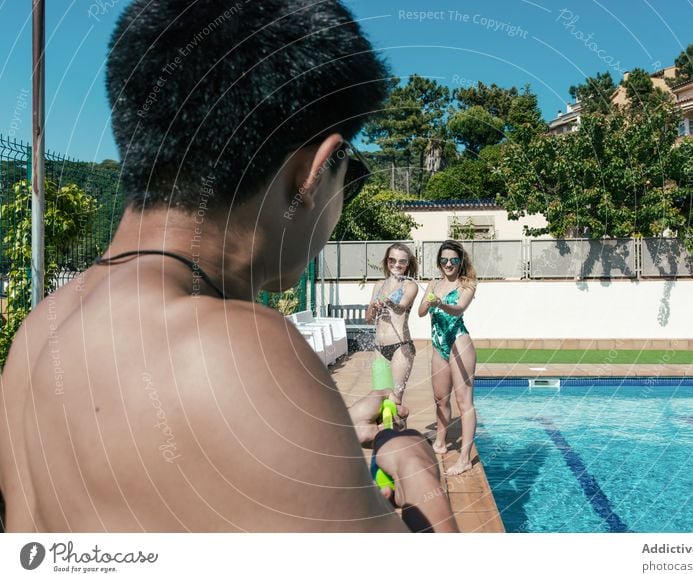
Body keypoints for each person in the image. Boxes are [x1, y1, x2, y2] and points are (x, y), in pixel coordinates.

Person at [0, 0, 456, 533]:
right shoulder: (240, 355)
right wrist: (416, 468)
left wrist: (307, 437)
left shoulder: (38, 333)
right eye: (349, 175)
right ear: (312, 172)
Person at [418, 240, 477, 476]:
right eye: (444, 260)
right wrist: (429, 298)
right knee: (440, 398)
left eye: (453, 260)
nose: (449, 264)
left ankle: (465, 459)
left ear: (460, 261)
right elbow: (422, 312)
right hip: (438, 344)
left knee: (465, 402)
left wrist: (441, 302)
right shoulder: (433, 283)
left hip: (458, 342)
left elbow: (459, 308)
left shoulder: (467, 284)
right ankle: (440, 443)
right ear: (439, 262)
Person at [366, 243, 419, 406]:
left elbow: (402, 307)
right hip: (379, 348)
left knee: (395, 401)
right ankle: (386, 432)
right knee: (381, 400)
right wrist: (373, 309)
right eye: (392, 260)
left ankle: (399, 432)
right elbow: (368, 318)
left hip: (400, 347)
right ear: (386, 261)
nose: (396, 264)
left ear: (408, 264)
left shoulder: (410, 285)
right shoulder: (378, 285)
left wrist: (389, 302)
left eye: (402, 261)